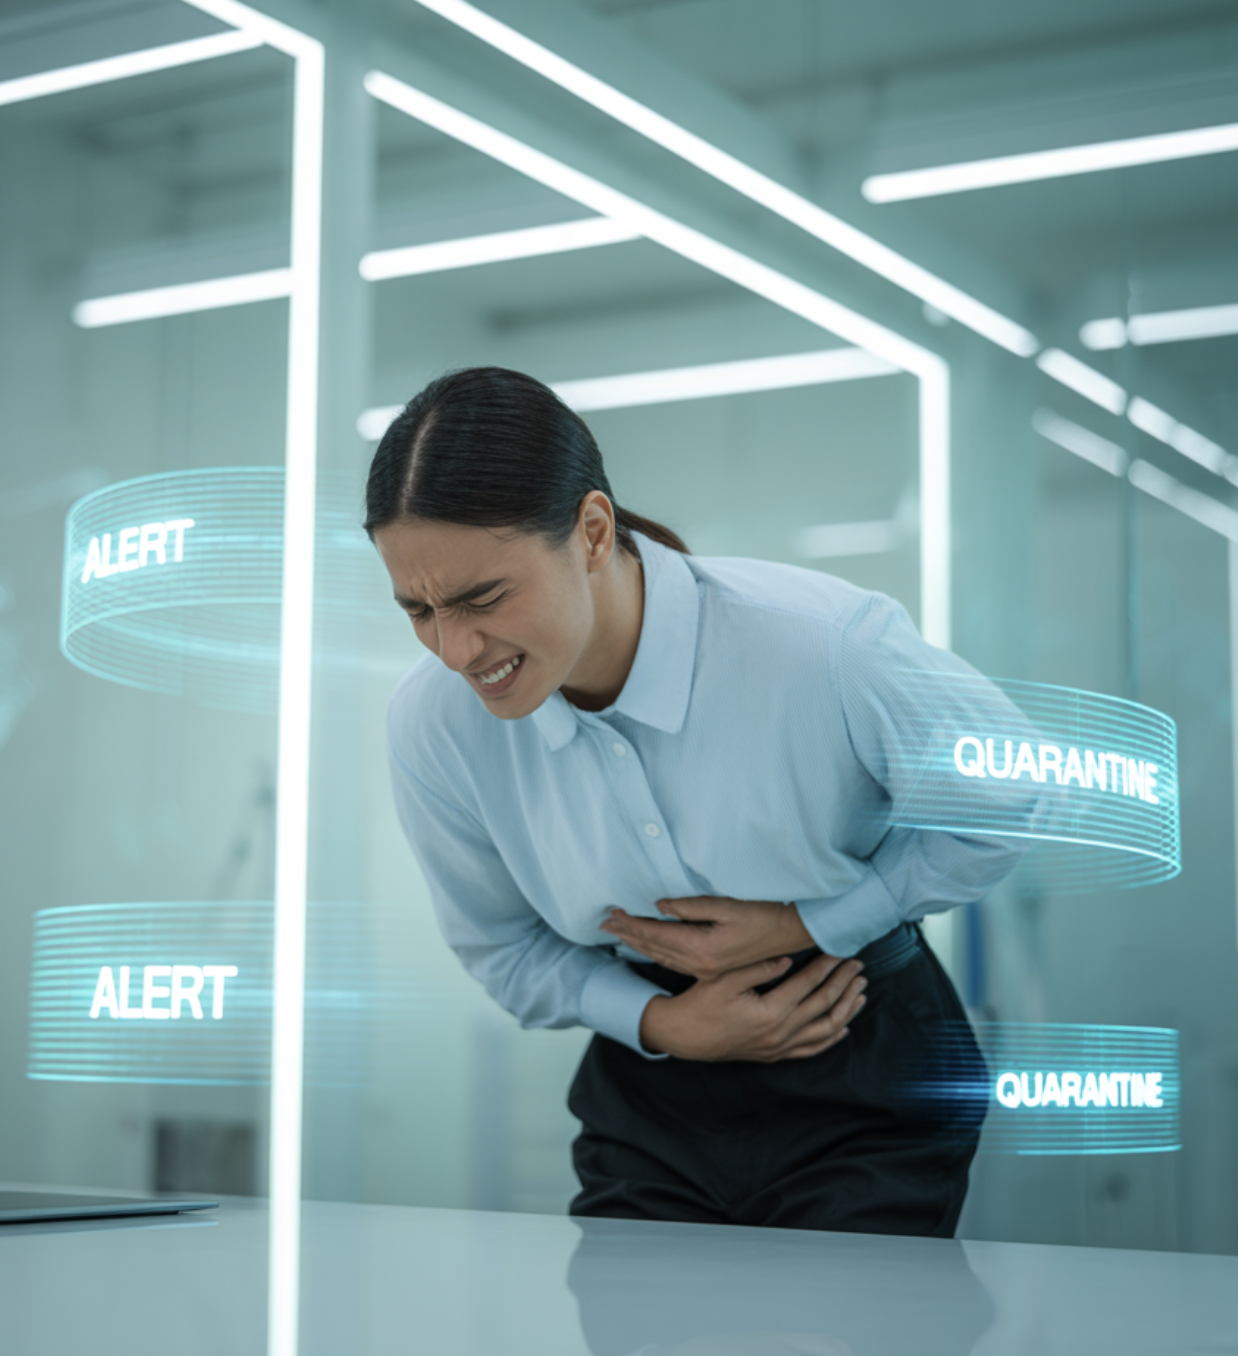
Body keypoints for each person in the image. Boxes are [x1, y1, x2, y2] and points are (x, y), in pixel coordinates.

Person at [366, 366, 1031, 1236]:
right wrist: (662, 1023)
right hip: (650, 1087)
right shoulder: (435, 725)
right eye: (418, 609)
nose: (454, 650)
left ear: (593, 533)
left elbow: (1007, 798)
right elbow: (501, 950)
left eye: (482, 598)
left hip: (857, 1040)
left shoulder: (819, 644)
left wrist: (809, 922)